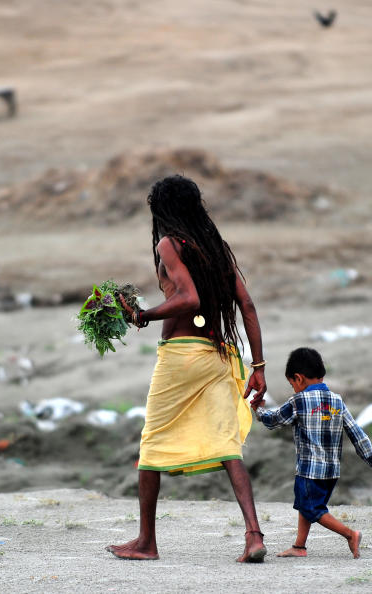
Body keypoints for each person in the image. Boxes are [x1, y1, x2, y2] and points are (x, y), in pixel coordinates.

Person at [107, 174, 268, 562]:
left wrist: (144, 315)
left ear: (162, 210)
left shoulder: (169, 244)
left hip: (181, 355)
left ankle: (146, 542)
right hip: (217, 355)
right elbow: (246, 306)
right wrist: (258, 366)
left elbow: (190, 298)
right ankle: (254, 535)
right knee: (229, 446)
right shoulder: (214, 246)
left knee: (151, 443)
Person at [253, 347, 372, 559]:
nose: (294, 388)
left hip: (309, 470)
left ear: (298, 378)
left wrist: (257, 410)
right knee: (308, 505)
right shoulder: (337, 400)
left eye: (292, 384)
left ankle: (350, 535)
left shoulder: (299, 401)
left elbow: (274, 420)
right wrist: (371, 457)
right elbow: (356, 432)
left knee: (313, 509)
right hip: (331, 471)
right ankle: (299, 546)